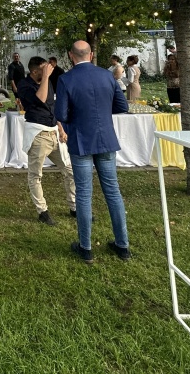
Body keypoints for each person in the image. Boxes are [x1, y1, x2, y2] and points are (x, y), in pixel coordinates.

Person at [55, 40, 131, 263]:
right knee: (113, 191)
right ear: (91, 54)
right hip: (106, 139)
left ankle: (86, 247)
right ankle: (122, 245)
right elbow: (122, 106)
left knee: (84, 193)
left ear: (71, 55)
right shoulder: (107, 75)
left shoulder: (66, 79)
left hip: (81, 140)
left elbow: (62, 114)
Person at [16, 56, 76, 226]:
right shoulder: (24, 85)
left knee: (70, 171)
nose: (49, 71)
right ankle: (42, 211)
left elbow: (51, 106)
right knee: (35, 175)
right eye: (44, 69)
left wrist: (60, 128)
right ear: (35, 71)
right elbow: (40, 99)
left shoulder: (47, 81)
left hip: (53, 133)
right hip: (38, 135)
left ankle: (74, 207)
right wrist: (46, 78)